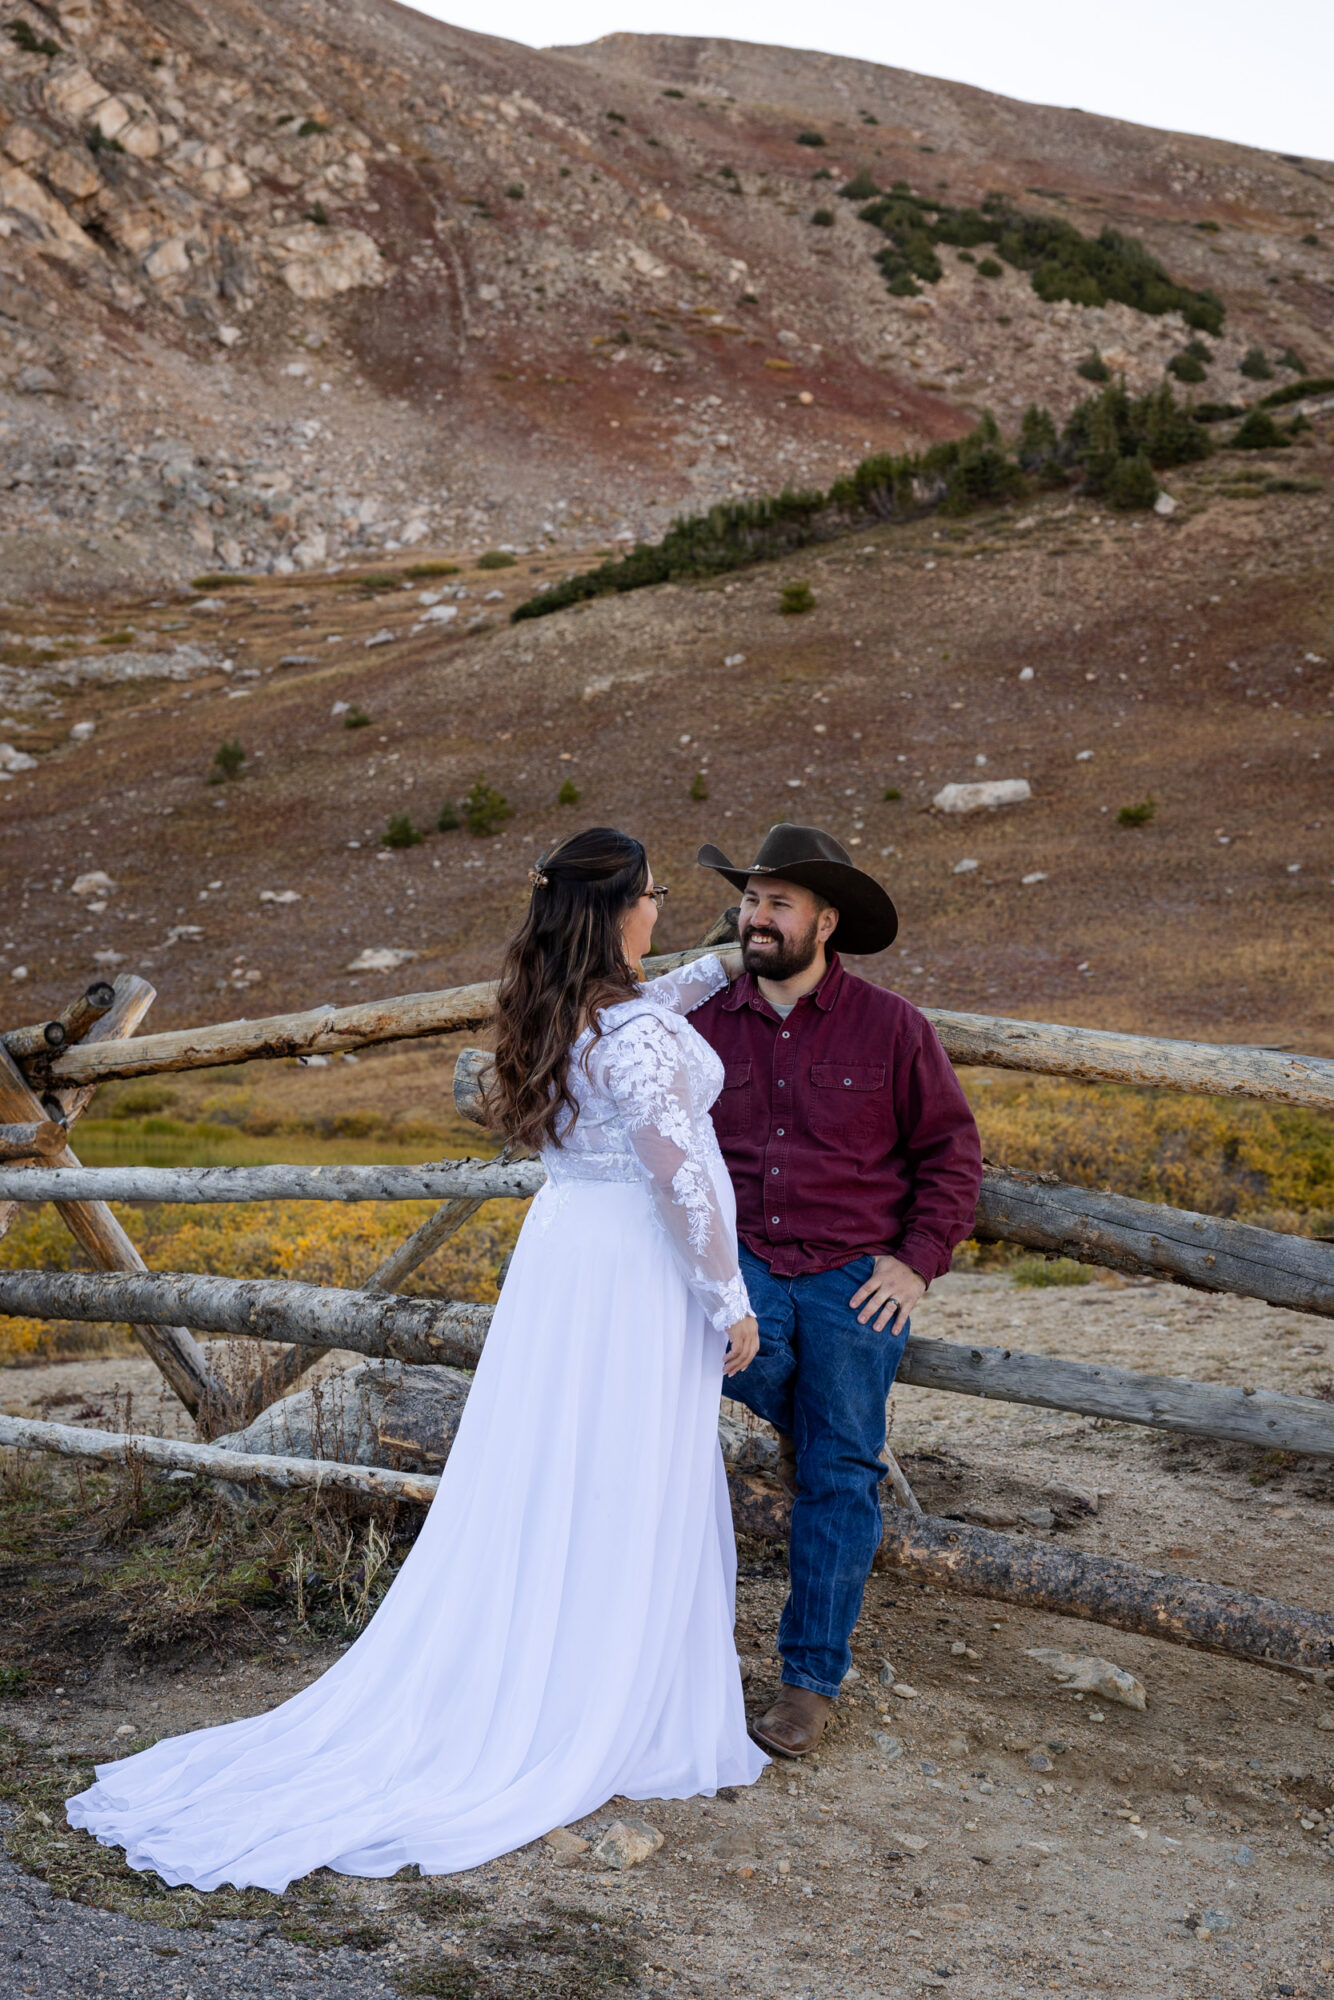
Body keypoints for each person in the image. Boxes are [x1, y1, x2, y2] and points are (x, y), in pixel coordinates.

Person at [67, 827, 766, 1891]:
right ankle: (603, 1694)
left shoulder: (567, 1010)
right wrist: (728, 1300)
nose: (662, 910)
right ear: (617, 910)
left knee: (560, 1468)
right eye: (655, 896)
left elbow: (652, 1020)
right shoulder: (629, 1033)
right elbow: (675, 1176)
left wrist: (727, 960)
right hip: (631, 1269)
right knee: (624, 1467)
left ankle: (569, 1660)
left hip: (568, 1255)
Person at [690, 824, 983, 1760]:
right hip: (742, 1262)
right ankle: (819, 1428)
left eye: (778, 902)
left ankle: (809, 1683)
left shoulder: (894, 1028)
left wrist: (917, 1259)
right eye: (750, 900)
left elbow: (950, 1153)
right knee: (745, 1366)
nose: (757, 917)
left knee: (842, 1473)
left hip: (857, 1271)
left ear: (826, 921)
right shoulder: (702, 1026)